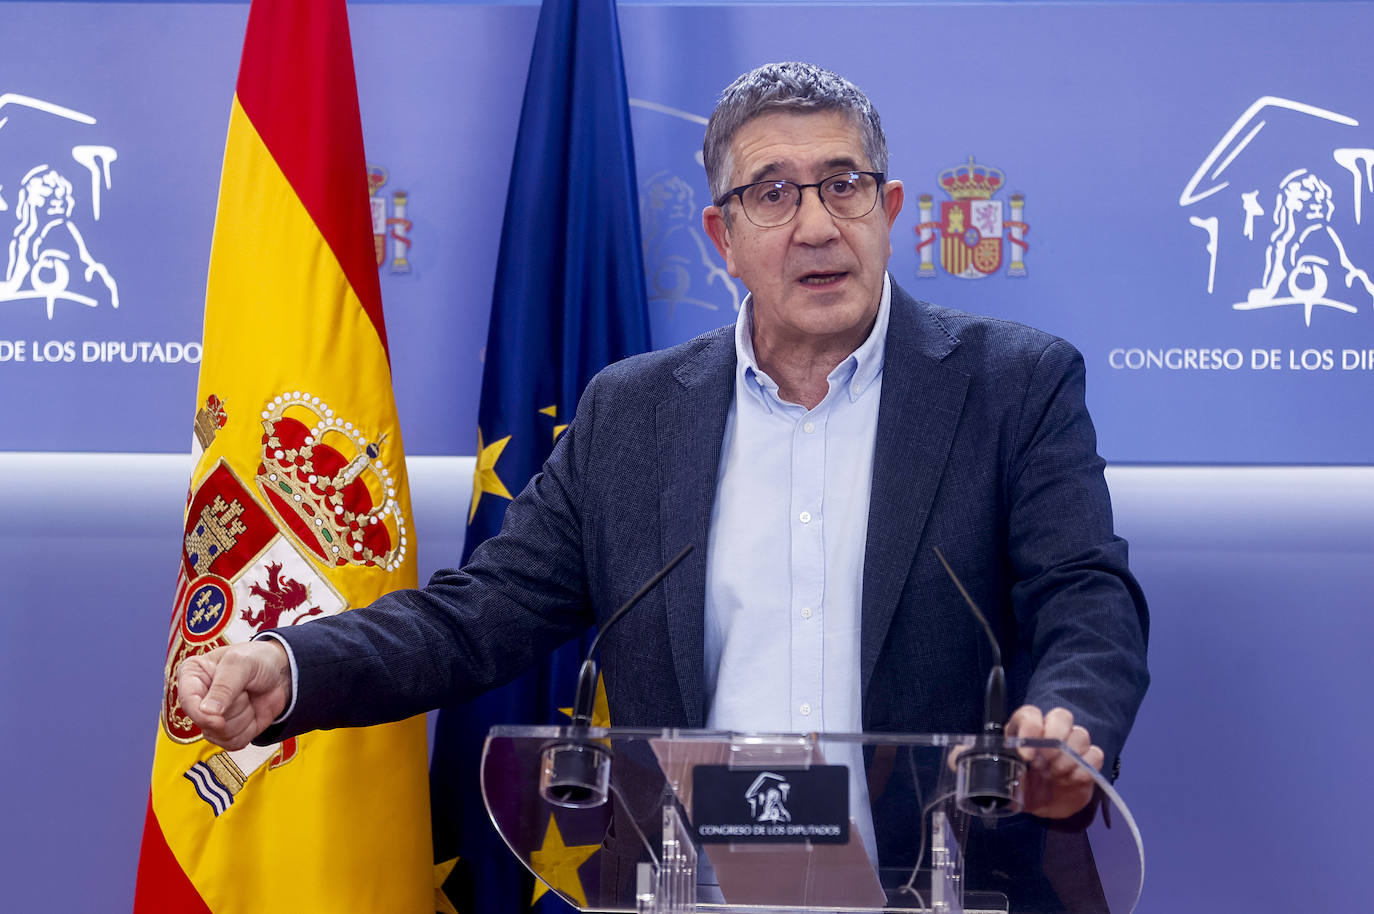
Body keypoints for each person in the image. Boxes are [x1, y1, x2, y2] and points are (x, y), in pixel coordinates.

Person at [179, 62, 1149, 827]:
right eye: (773, 194)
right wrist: (291, 666)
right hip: (694, 881)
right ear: (722, 237)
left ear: (889, 212)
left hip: (941, 877)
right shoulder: (633, 414)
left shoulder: (1012, 384)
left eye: (843, 186)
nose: (817, 224)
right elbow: (476, 616)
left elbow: (1085, 594)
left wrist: (1068, 718)